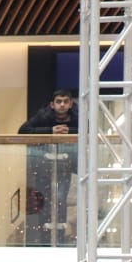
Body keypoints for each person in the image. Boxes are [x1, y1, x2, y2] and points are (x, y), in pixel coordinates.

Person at [18, 90, 79, 245]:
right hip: (43, 166)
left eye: (66, 101)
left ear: (71, 103)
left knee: (60, 200)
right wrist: (50, 131)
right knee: (45, 201)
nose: (62, 104)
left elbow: (91, 132)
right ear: (52, 104)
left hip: (66, 166)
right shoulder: (42, 116)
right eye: (59, 101)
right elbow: (23, 131)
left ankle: (59, 237)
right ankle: (45, 238)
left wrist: (69, 133)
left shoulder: (78, 116)